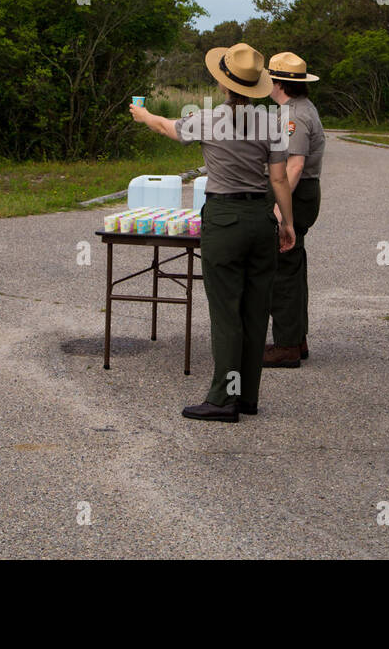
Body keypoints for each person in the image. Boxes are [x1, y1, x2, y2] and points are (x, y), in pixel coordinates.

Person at [131, 42, 295, 422]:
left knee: (226, 314)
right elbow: (279, 178)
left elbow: (164, 126)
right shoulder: (272, 122)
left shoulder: (206, 119)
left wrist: (143, 114)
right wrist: (286, 222)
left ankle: (224, 399)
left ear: (224, 85)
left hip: (224, 218)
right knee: (256, 313)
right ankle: (247, 396)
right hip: (260, 218)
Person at [262, 52, 325, 368]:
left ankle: (286, 345)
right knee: (293, 266)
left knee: (282, 270)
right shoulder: (297, 108)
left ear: (277, 82)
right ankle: (296, 339)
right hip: (299, 194)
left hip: (294, 194)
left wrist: (280, 210)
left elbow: (295, 166)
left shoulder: (294, 116)